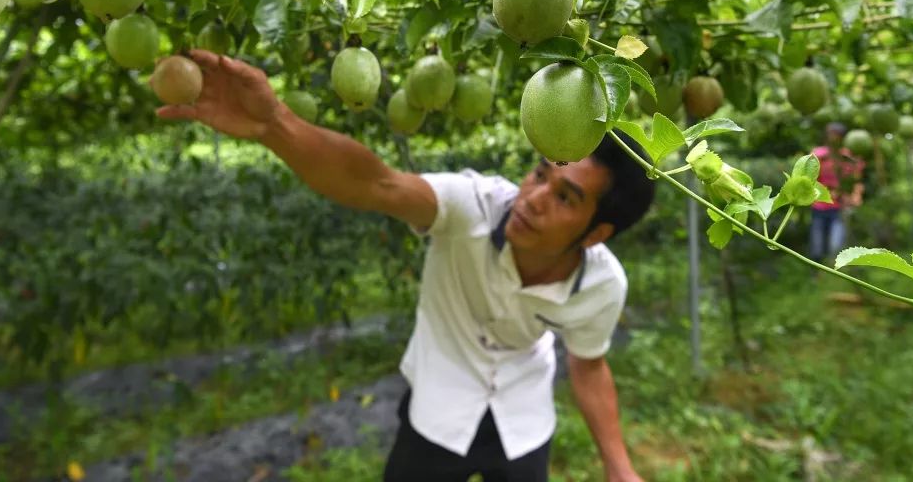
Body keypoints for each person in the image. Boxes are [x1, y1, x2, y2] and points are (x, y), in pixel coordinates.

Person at [157, 50, 656, 482]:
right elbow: (377, 184)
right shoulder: (472, 207)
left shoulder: (602, 284)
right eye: (539, 173)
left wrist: (617, 465)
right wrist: (274, 124)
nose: (534, 198)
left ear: (596, 234)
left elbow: (588, 366)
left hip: (523, 420)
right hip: (437, 411)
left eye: (565, 197)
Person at [809, 122, 865, 262]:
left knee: (836, 245)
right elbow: (810, 178)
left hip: (839, 207)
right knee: (817, 244)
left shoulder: (849, 158)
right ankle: (817, 274)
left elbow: (857, 180)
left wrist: (855, 196)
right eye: (830, 134)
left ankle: (833, 273)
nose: (832, 138)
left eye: (836, 135)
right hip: (819, 205)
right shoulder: (819, 155)